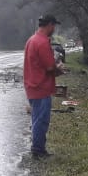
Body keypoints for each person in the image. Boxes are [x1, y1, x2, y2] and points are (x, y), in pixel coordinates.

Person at [23, 14, 64, 158]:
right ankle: (38, 150)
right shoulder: (42, 42)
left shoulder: (31, 40)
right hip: (41, 86)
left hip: (32, 86)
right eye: (54, 26)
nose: (54, 29)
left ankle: (37, 147)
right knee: (41, 120)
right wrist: (59, 69)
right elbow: (50, 67)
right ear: (50, 25)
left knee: (36, 118)